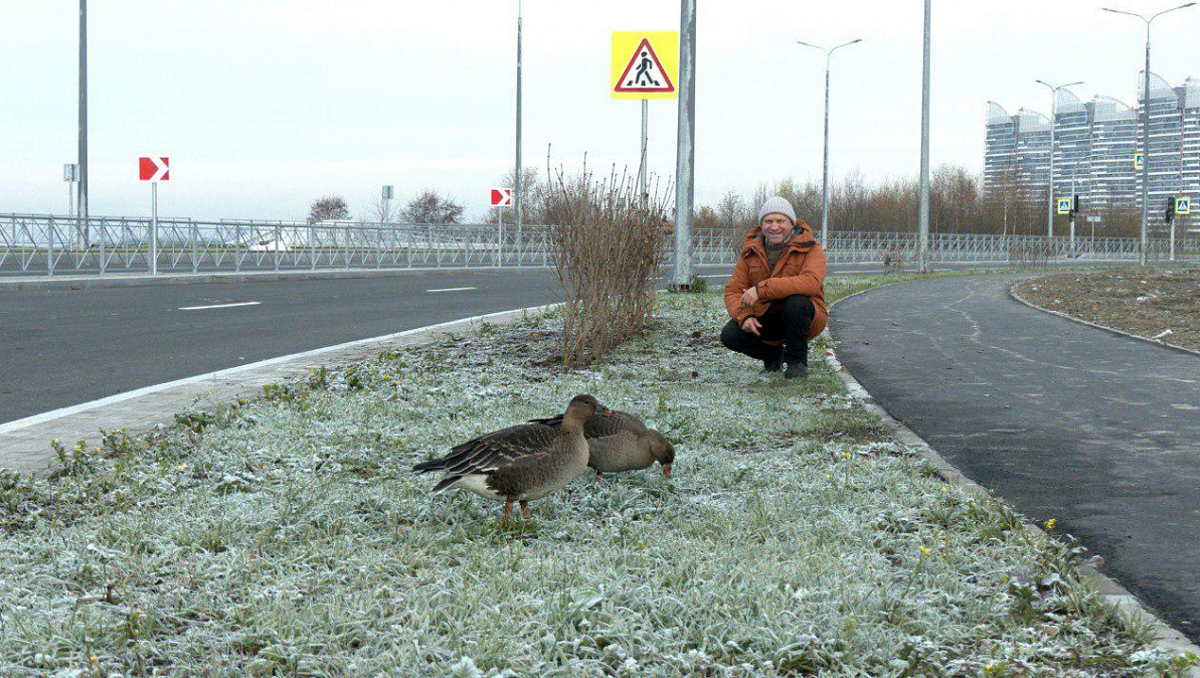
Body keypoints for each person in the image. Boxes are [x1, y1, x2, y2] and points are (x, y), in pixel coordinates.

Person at [720, 196, 827, 379]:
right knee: (730, 335)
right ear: (762, 225)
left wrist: (761, 290)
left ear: (791, 224)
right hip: (764, 314)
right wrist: (744, 315)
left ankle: (797, 364)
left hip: (802, 316)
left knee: (797, 302)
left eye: (780, 221)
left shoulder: (811, 247)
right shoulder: (750, 250)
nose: (774, 226)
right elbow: (733, 290)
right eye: (768, 221)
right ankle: (773, 356)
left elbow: (811, 282)